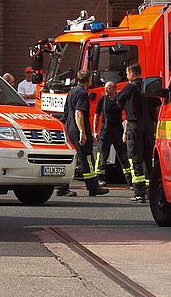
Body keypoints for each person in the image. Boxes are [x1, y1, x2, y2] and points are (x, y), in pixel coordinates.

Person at [63, 69, 108, 197]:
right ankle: (93, 187)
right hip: (79, 130)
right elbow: (79, 112)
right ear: (89, 80)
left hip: (70, 128)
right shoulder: (82, 93)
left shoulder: (71, 92)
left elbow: (66, 113)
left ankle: (63, 187)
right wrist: (82, 131)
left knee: (72, 159)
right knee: (87, 158)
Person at [117, 62, 155, 203]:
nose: (127, 76)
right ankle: (151, 192)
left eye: (127, 73)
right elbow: (156, 105)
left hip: (135, 126)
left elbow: (118, 100)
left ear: (132, 74)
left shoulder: (130, 88)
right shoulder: (149, 86)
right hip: (149, 125)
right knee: (148, 160)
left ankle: (139, 193)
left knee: (135, 159)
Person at [92, 80, 129, 187]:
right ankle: (99, 178)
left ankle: (130, 180)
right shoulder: (103, 100)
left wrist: (125, 132)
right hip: (105, 131)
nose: (106, 90)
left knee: (123, 156)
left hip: (118, 131)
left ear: (114, 89)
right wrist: (95, 131)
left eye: (108, 88)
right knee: (102, 156)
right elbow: (97, 115)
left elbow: (128, 115)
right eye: (105, 88)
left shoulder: (120, 100)